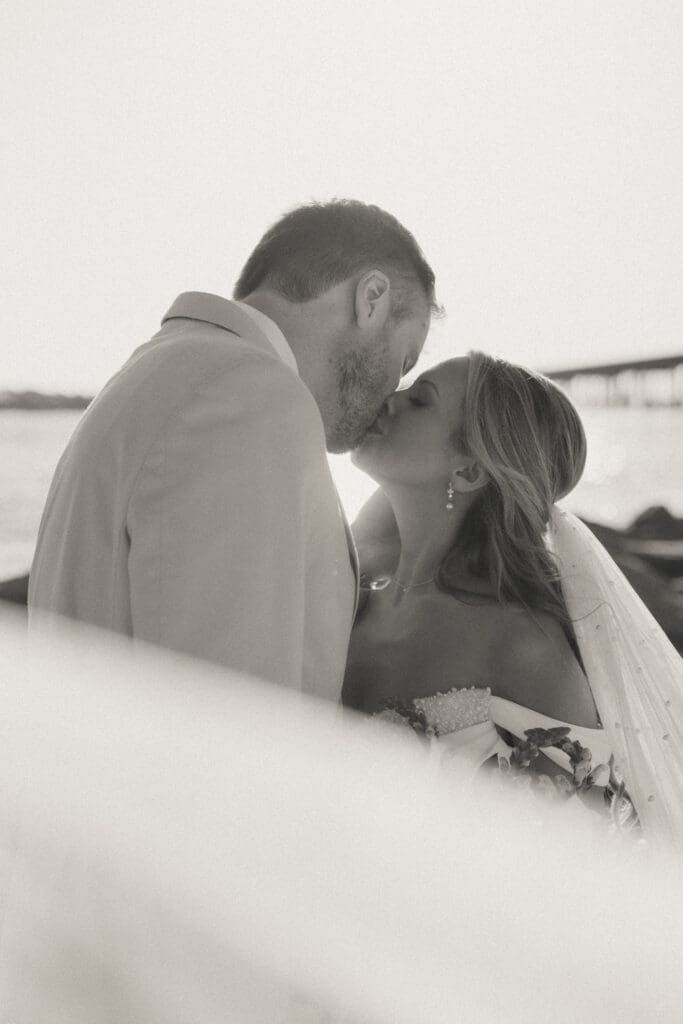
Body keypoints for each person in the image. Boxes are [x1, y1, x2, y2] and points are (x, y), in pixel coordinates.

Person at [28, 200, 438, 698]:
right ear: (371, 299)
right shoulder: (251, 397)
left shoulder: (161, 372)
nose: (393, 389)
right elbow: (231, 716)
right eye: (404, 360)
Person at [344, 352, 683, 843]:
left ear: (468, 472)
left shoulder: (521, 642)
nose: (389, 399)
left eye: (419, 401)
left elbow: (585, 849)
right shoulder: (355, 582)